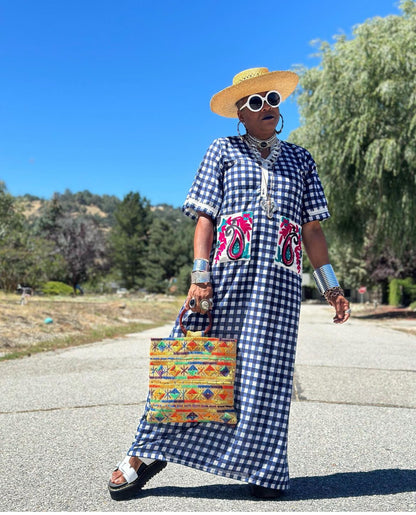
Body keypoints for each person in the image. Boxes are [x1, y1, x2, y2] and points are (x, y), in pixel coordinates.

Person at [108, 67, 351, 500]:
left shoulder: (301, 159)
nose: (266, 108)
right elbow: (205, 218)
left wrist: (330, 286)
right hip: (224, 279)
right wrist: (200, 276)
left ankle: (264, 468)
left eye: (272, 98)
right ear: (240, 112)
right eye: (255, 102)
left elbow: (312, 230)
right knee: (189, 359)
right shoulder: (222, 150)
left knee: (266, 375)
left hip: (278, 288)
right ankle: (145, 452)